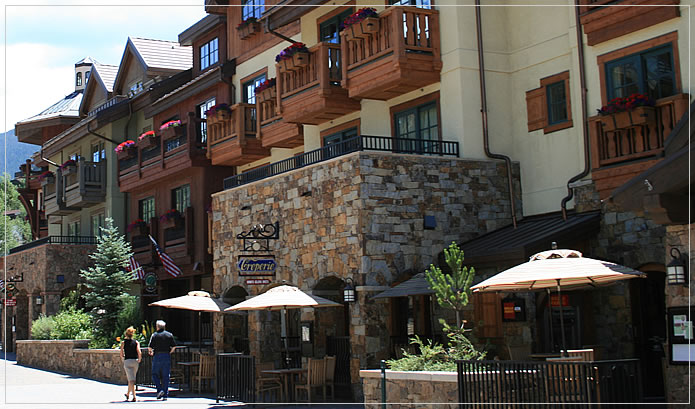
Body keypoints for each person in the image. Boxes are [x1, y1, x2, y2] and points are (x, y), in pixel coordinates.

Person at [148, 320, 176, 401]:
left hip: (157, 355)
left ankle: (160, 389)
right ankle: (165, 394)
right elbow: (174, 346)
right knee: (166, 376)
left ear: (157, 327)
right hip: (166, 355)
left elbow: (150, 347)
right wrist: (169, 352)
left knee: (155, 374)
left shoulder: (154, 335)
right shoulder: (169, 335)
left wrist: (151, 352)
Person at [120, 326, 142, 402]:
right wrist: (139, 359)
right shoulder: (136, 342)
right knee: (132, 379)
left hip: (127, 361)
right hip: (135, 361)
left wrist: (123, 359)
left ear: (126, 334)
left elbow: (121, 353)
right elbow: (139, 351)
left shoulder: (123, 343)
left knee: (131, 380)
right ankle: (128, 394)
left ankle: (134, 396)